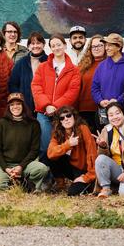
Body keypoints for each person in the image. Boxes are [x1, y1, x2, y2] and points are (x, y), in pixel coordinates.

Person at [31, 33, 81, 161]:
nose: (56, 48)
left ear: (64, 45)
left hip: (63, 115)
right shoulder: (42, 67)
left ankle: (60, 177)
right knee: (45, 145)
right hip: (44, 113)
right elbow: (36, 86)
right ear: (50, 48)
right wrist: (47, 105)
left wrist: (55, 106)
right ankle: (45, 176)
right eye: (53, 46)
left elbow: (72, 92)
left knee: (63, 146)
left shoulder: (74, 70)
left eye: (59, 44)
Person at [0, 93, 50, 191]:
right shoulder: (1, 123)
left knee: (42, 169)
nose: (15, 107)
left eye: (18, 104)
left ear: (23, 105)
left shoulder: (33, 124)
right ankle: (16, 183)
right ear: (8, 107)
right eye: (12, 104)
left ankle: (27, 182)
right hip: (6, 165)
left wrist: (21, 166)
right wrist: (6, 168)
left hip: (25, 164)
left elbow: (34, 150)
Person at [94, 102, 124, 197]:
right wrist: (102, 146)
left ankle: (123, 186)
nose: (115, 117)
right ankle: (106, 188)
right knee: (100, 159)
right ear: (108, 118)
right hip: (115, 169)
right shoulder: (106, 130)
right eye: (111, 115)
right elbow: (102, 159)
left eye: (118, 113)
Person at [47, 105, 97, 196]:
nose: (66, 119)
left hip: (84, 169)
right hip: (71, 167)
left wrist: (88, 176)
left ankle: (90, 183)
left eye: (68, 115)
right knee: (53, 158)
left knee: (72, 193)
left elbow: (92, 154)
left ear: (74, 117)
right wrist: (68, 144)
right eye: (62, 118)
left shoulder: (83, 128)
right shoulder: (58, 133)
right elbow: (50, 153)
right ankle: (60, 183)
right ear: (60, 122)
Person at [91, 33, 124, 117]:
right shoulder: (101, 66)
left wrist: (118, 100)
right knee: (104, 130)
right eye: (106, 45)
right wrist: (100, 101)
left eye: (110, 45)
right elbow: (95, 87)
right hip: (104, 111)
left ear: (118, 47)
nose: (106, 48)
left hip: (123, 111)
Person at [8, 31, 48, 113]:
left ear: (43, 45)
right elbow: (13, 83)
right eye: (33, 44)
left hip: (45, 106)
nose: (35, 46)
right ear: (29, 46)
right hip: (26, 106)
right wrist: (20, 100)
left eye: (38, 43)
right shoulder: (22, 62)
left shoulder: (50, 61)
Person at [76, 34, 107, 132]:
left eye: (99, 45)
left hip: (103, 109)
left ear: (105, 47)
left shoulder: (110, 64)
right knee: (87, 139)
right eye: (93, 46)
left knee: (103, 137)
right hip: (84, 110)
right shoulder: (83, 65)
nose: (96, 48)